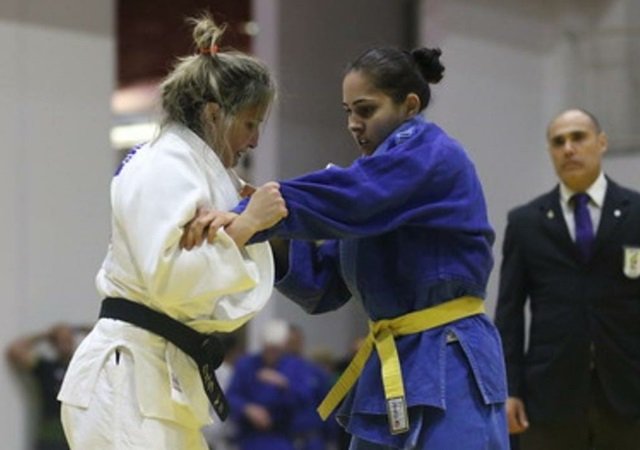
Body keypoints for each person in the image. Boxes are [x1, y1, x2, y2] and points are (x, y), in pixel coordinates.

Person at [184, 46, 509, 449]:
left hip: (449, 355)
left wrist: (262, 208)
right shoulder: (375, 193)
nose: (354, 124)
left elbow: (356, 194)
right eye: (348, 112)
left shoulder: (433, 155)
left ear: (409, 106)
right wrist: (266, 228)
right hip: (394, 359)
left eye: (366, 110)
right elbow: (323, 286)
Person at [57, 14, 287, 450]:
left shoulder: (201, 171)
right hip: (125, 383)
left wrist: (242, 224)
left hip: (158, 378)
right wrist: (245, 226)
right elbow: (170, 281)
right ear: (215, 113)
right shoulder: (163, 165)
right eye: (250, 123)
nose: (255, 140)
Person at [493, 108, 640, 450]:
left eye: (578, 137)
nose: (568, 149)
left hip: (629, 392)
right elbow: (509, 315)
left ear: (601, 143)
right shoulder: (526, 223)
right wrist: (509, 390)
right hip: (549, 397)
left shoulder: (636, 213)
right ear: (550, 151)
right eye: (558, 142)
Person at [225, 319, 309, 450]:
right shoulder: (246, 364)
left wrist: (284, 385)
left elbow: (304, 399)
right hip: (249, 437)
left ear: (283, 346)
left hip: (282, 436)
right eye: (268, 349)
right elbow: (231, 396)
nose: (271, 354)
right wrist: (247, 408)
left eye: (276, 350)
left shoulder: (295, 366)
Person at [7, 324, 86, 450]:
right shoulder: (45, 368)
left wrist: (80, 329)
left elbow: (112, 345)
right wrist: (45, 336)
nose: (65, 344)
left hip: (76, 436)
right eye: (61, 340)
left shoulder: (83, 369)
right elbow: (14, 351)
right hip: (50, 438)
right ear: (54, 344)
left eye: (68, 340)